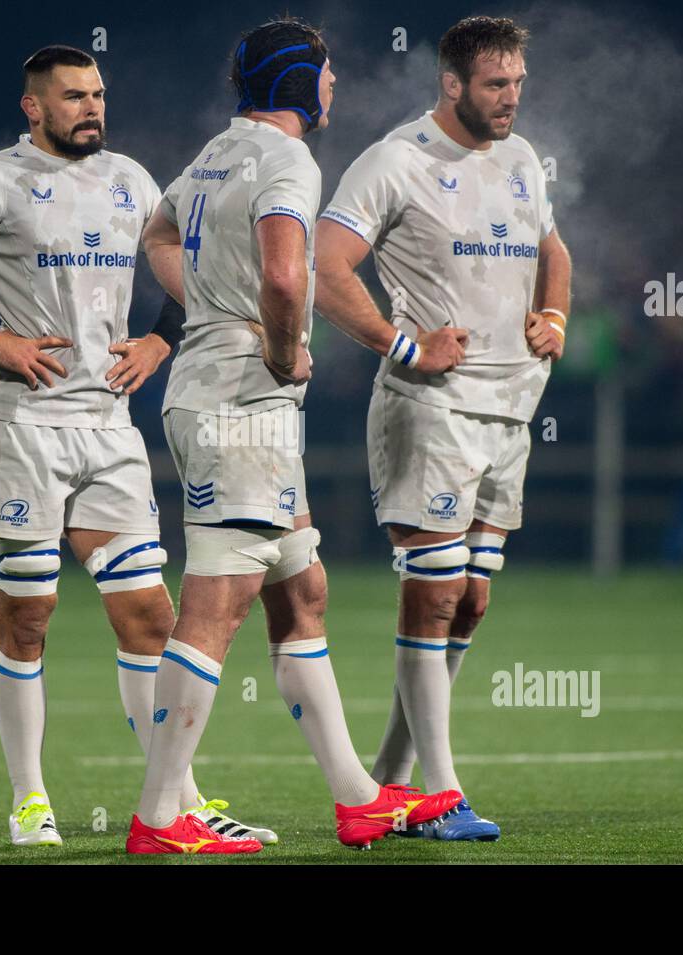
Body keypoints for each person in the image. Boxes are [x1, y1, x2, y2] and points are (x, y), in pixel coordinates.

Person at [0, 44, 274, 848]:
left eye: (98, 94)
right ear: (34, 107)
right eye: (72, 97)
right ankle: (30, 798)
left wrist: (163, 341)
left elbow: (190, 269)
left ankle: (175, 805)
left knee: (151, 619)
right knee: (30, 616)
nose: (91, 108)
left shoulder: (130, 179)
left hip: (109, 429)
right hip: (24, 428)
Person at [125, 17, 462, 855]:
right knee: (216, 605)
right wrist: (281, 346)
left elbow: (158, 236)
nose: (335, 81)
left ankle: (358, 797)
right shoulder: (286, 160)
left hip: (234, 402)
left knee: (300, 589)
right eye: (325, 69)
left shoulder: (212, 153)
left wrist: (207, 304)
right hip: (240, 399)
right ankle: (160, 816)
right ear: (294, 81)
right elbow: (285, 275)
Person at [314, 16, 572, 841]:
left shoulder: (523, 158)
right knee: (432, 595)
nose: (512, 100)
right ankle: (445, 792)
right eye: (497, 85)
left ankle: (390, 781)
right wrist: (402, 341)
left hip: (511, 410)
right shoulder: (396, 161)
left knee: (470, 603)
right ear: (451, 84)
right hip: (431, 409)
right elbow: (324, 265)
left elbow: (551, 248)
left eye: (520, 84)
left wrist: (555, 314)